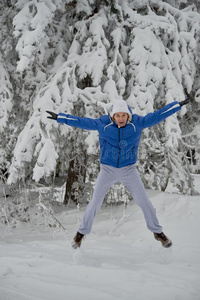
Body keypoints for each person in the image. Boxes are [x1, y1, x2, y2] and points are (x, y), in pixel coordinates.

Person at [47, 98, 189, 249]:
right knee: (95, 202)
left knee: (144, 202)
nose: (120, 119)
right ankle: (81, 233)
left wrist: (176, 105)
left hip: (129, 170)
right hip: (107, 170)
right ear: (112, 116)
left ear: (128, 116)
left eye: (123, 115)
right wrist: (60, 117)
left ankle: (157, 232)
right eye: (117, 116)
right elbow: (82, 122)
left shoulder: (137, 124)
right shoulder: (103, 124)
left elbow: (158, 115)